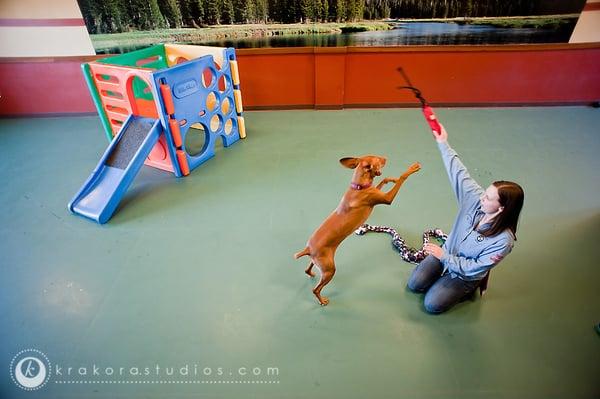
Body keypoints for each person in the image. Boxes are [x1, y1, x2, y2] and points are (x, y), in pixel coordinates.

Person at [407, 124, 524, 314]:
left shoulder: (504, 241)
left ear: (501, 208)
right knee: (414, 285)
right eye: (484, 193)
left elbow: (475, 268)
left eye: (488, 198)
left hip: (465, 274)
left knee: (432, 305)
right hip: (445, 253)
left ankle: (469, 289)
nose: (481, 198)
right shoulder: (476, 200)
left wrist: (444, 257)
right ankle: (442, 276)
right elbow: (459, 173)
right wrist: (443, 142)